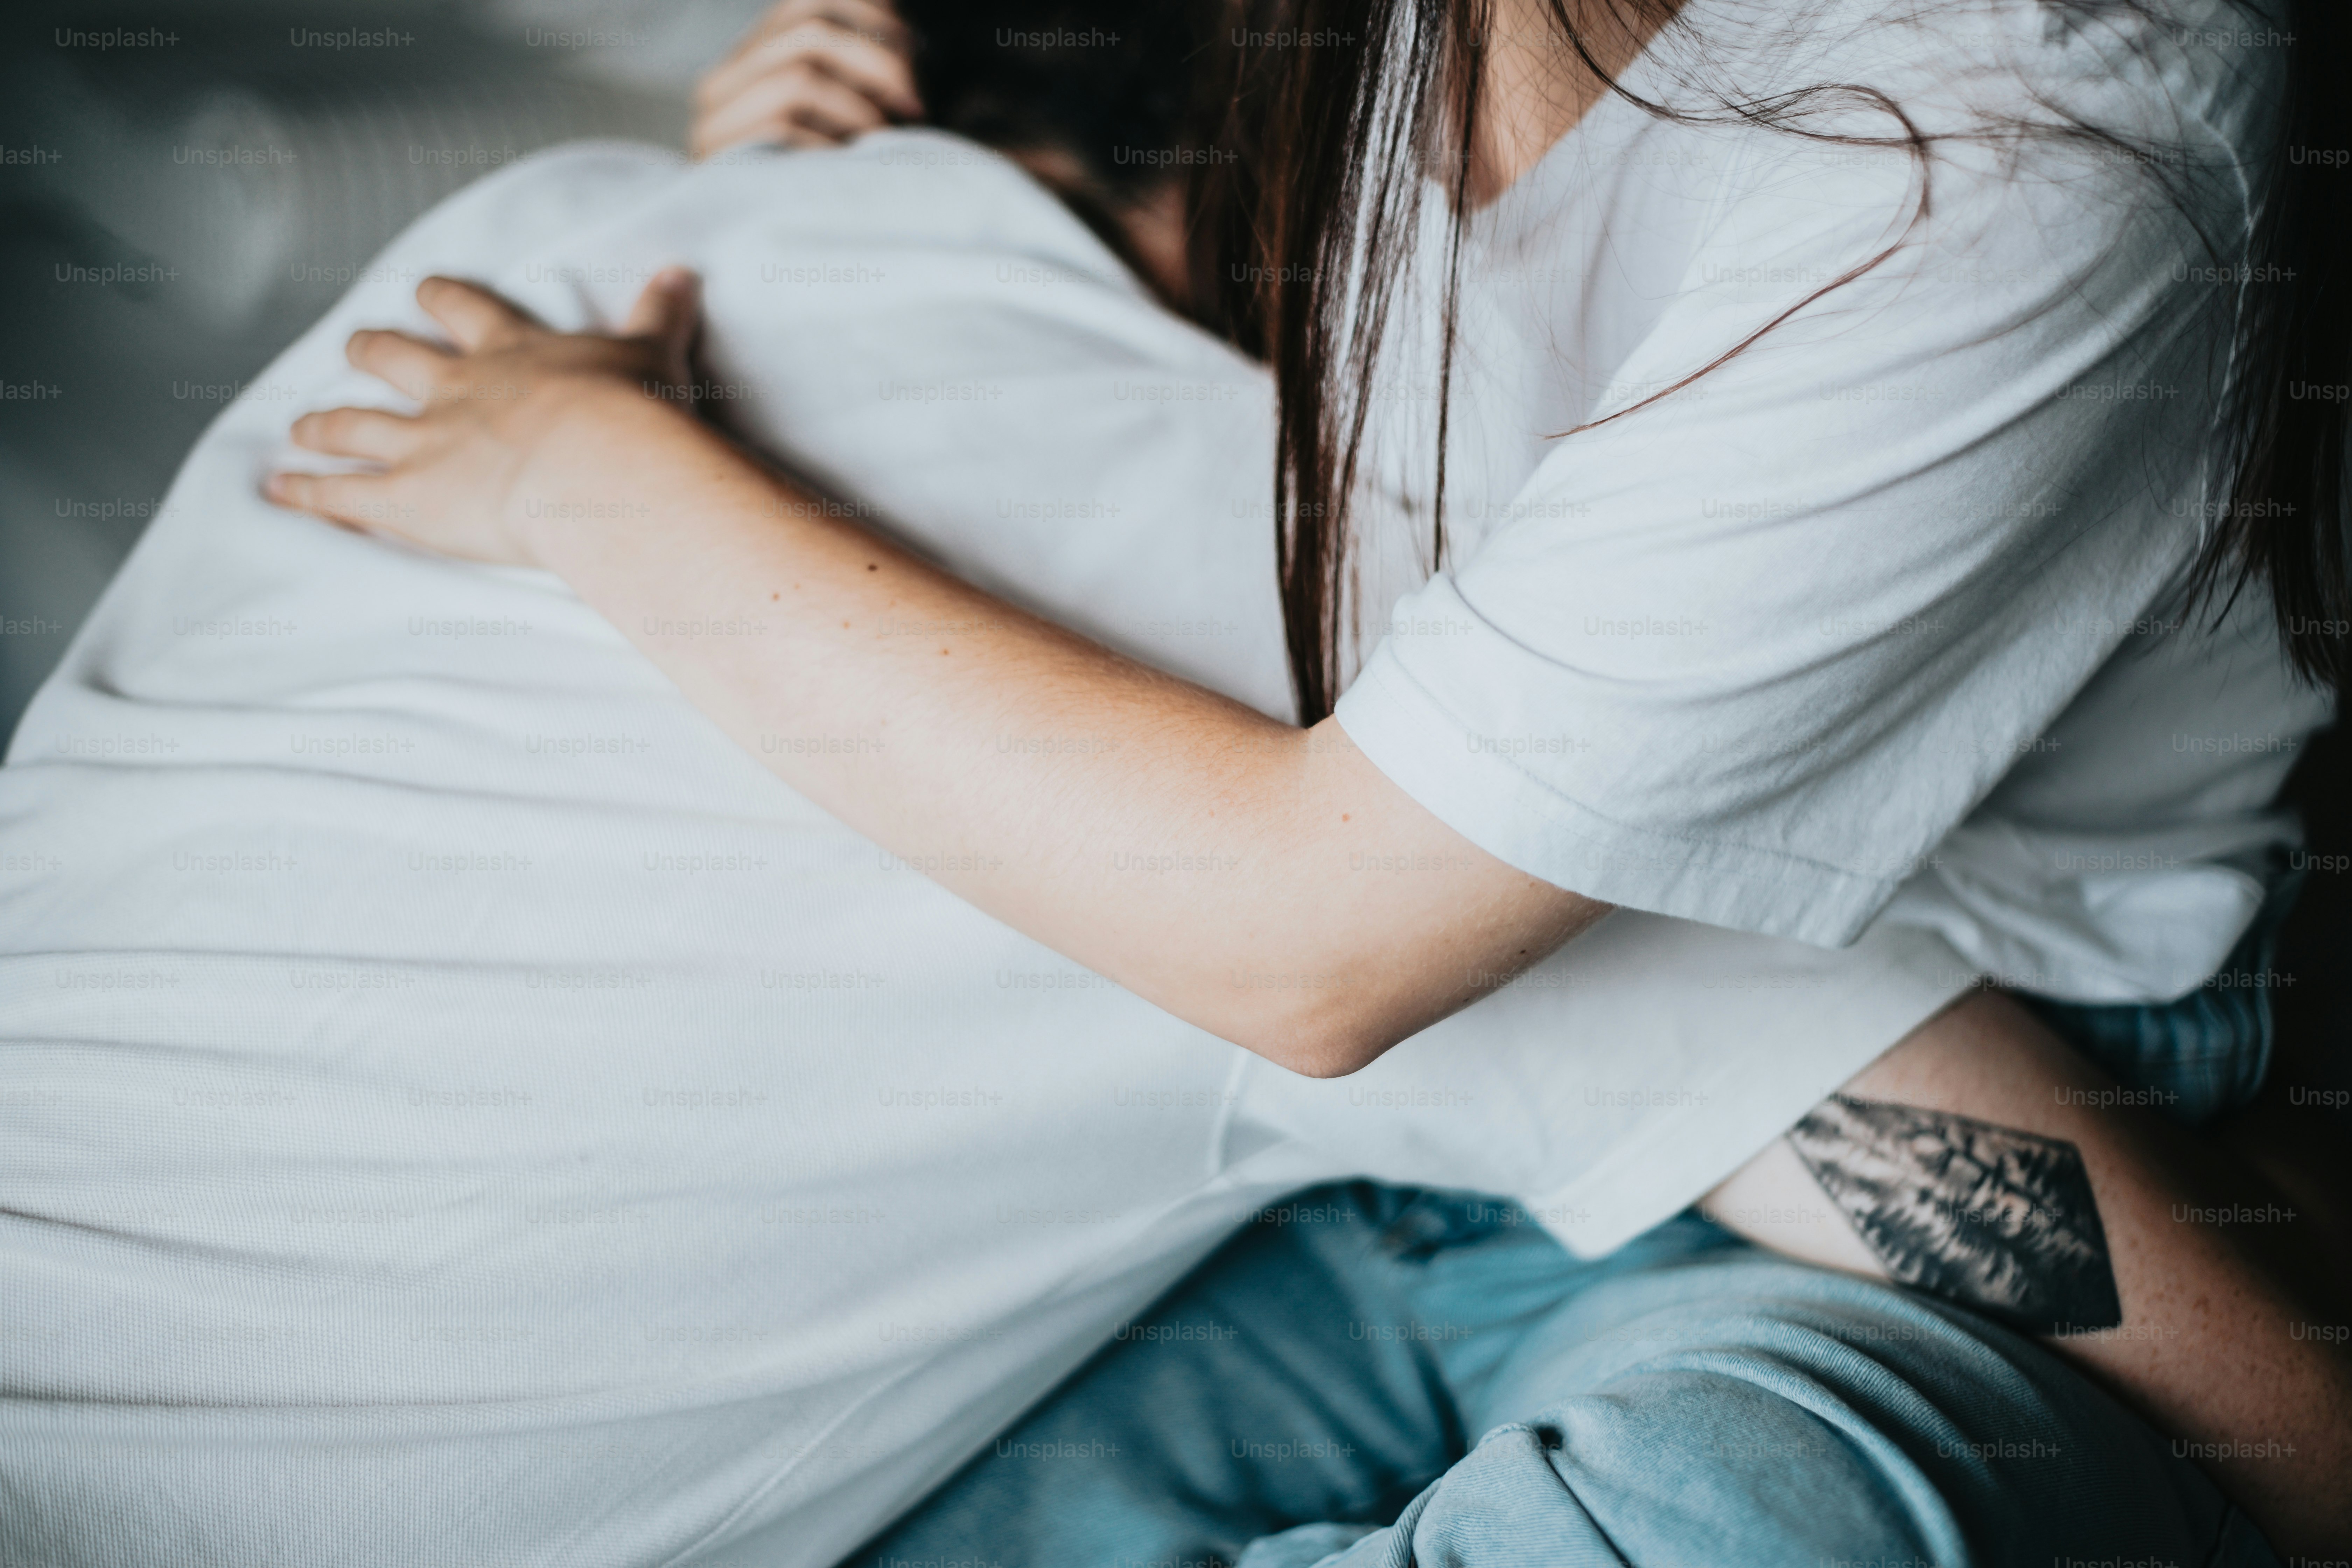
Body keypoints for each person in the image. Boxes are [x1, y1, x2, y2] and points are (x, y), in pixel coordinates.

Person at [254, 0, 2352, 1561]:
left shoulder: (2025, 128)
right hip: (1348, 1100)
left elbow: (1321, 939)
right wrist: (956, 154)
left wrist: (589, 468)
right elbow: (1317, 373)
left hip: (1864, 1078)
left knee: (1755, 1517)